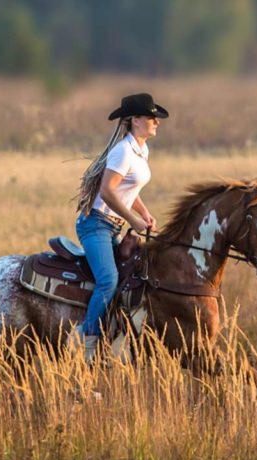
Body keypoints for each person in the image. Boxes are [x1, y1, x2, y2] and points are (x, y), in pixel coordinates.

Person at [71, 93, 169, 361]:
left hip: (112, 226)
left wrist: (144, 213)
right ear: (135, 120)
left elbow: (129, 187)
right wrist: (133, 220)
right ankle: (88, 344)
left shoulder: (141, 149)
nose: (156, 122)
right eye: (151, 117)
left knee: (135, 279)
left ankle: (116, 337)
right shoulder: (123, 151)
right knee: (108, 280)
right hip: (96, 225)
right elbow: (108, 191)